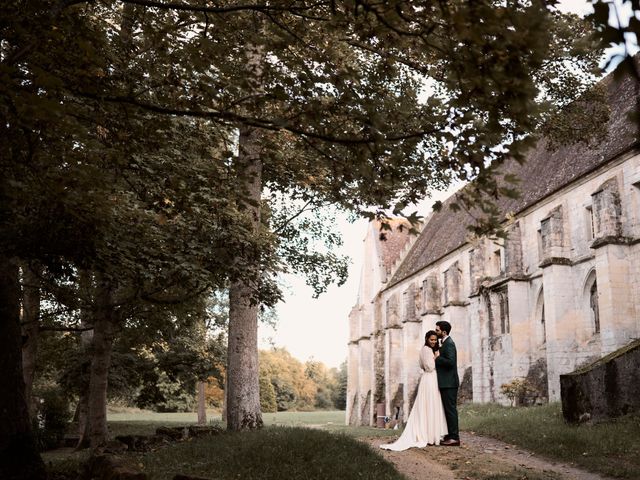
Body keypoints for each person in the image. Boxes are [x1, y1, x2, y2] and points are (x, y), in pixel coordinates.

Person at [380, 331, 448, 451]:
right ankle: (429, 436)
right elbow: (430, 367)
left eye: (435, 340)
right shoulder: (426, 350)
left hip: (429, 379)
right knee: (430, 404)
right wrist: (437, 356)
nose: (433, 341)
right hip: (430, 378)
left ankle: (430, 435)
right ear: (427, 339)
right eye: (431, 339)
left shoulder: (425, 350)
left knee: (430, 405)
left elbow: (422, 365)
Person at [435, 320, 460, 446]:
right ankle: (449, 435)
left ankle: (454, 437)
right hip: (446, 383)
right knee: (447, 410)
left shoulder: (449, 343)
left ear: (444, 332)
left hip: (450, 383)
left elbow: (450, 362)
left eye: (437, 330)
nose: (436, 332)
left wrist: (437, 358)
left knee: (450, 410)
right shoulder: (444, 343)